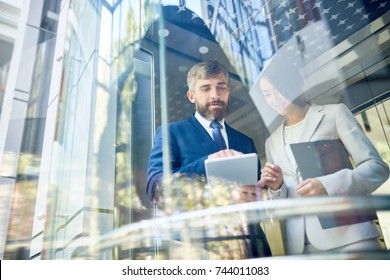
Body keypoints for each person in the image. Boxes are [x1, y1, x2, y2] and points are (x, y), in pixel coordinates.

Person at [257, 62, 390, 255]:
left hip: (349, 236)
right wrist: (277, 187)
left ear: (293, 85)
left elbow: (377, 167)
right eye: (267, 94)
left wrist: (326, 185)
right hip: (301, 245)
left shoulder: (334, 114)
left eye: (277, 89)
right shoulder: (272, 142)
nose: (274, 99)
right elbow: (283, 198)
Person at [146, 60, 271, 257]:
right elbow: (155, 188)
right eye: (206, 88)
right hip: (201, 248)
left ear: (228, 92)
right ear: (191, 96)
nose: (215, 94)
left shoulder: (245, 142)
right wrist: (206, 163)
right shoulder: (171, 133)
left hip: (252, 248)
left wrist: (260, 194)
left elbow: (257, 201)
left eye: (221, 87)